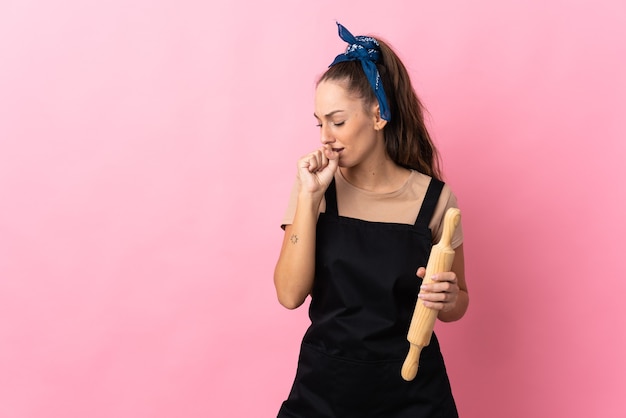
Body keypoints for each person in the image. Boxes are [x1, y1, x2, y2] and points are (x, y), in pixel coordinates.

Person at [273, 22, 469, 417]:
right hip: (324, 391)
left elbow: (458, 301)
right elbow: (289, 295)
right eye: (320, 122)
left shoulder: (434, 200)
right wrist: (309, 199)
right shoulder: (314, 188)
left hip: (412, 394)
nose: (325, 136)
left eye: (338, 121)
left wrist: (448, 300)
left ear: (378, 115)